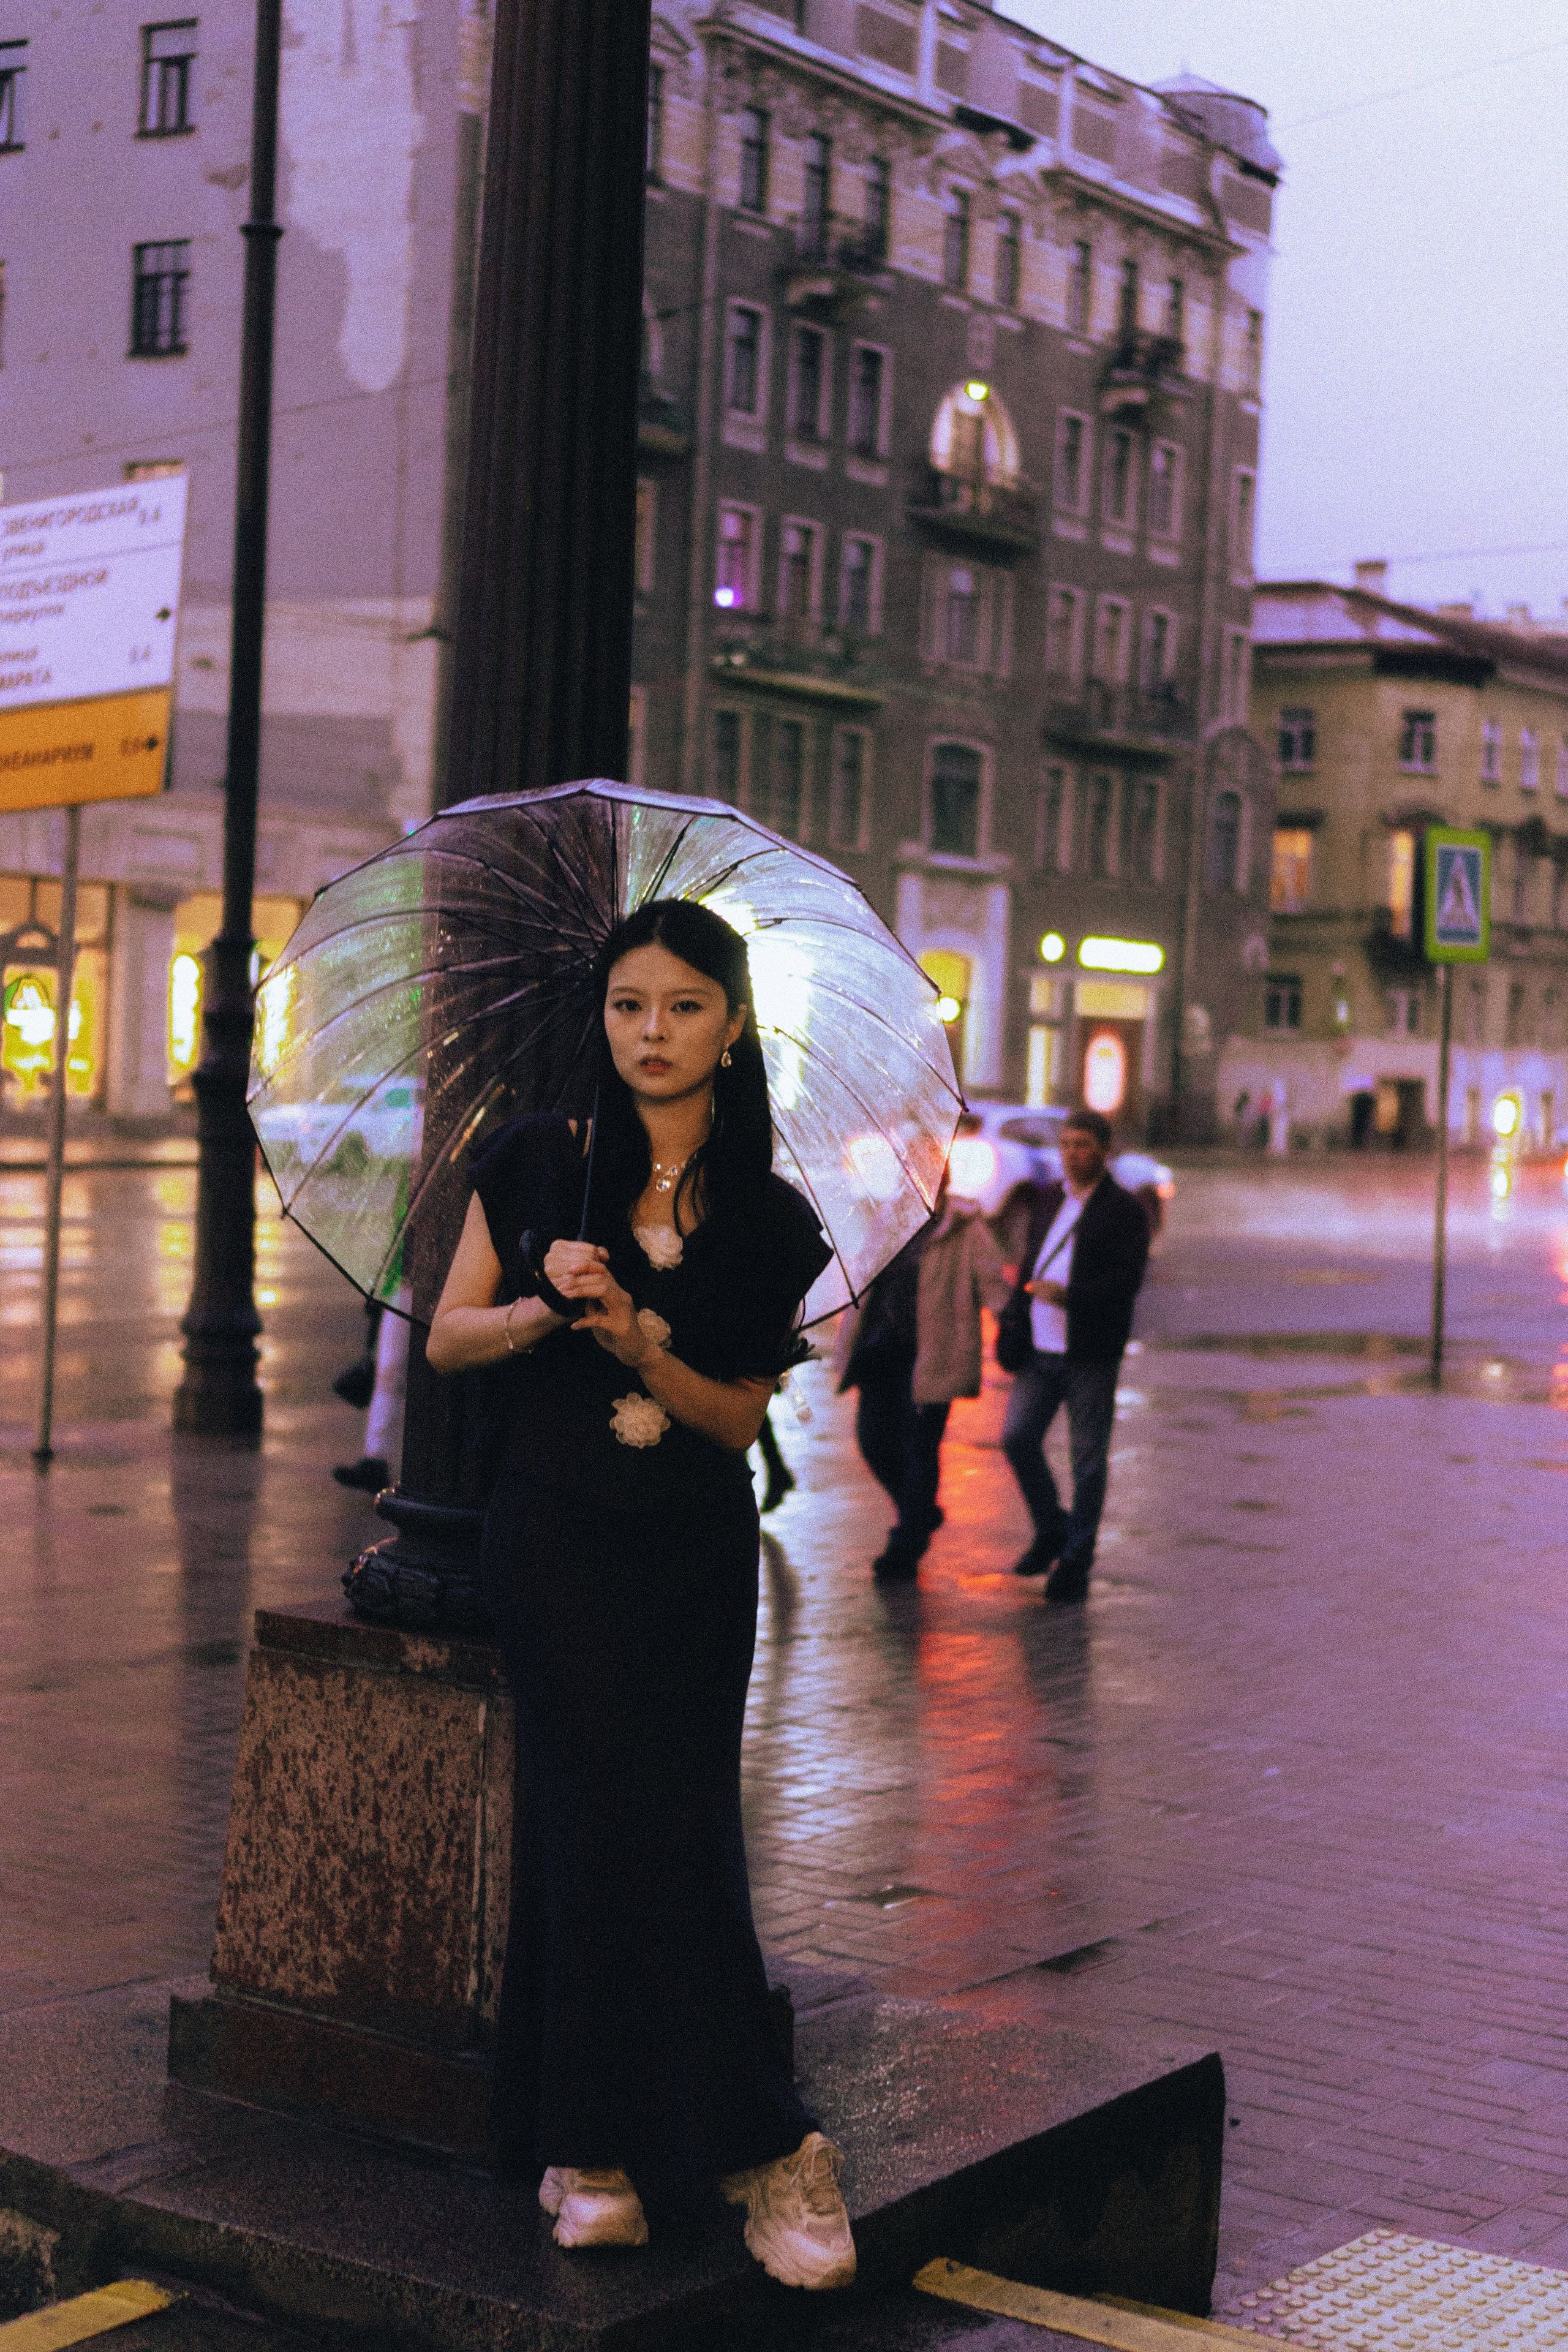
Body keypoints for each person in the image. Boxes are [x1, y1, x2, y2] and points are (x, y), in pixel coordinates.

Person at [426, 898, 856, 2292]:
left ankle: (751, 2145)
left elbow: (733, 1419)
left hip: (685, 1550)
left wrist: (634, 1332)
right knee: (579, 1819)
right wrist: (550, 1308)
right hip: (551, 1540)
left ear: (732, 1026)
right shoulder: (533, 1163)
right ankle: (593, 2149)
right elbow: (448, 1339)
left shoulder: (768, 1214)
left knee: (674, 1825)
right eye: (627, 1004)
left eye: (681, 1005)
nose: (651, 1032)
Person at [1001, 1107, 1149, 1604]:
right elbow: (1031, 1258)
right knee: (1018, 1438)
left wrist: (1071, 1296)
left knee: (1087, 1461)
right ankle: (1051, 1529)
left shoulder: (1124, 1211)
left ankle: (1076, 1561)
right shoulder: (1048, 1199)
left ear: (1104, 1152)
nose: (1072, 1153)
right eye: (1066, 1144)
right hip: (1040, 1348)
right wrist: (1018, 1309)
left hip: (1088, 1352)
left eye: (1082, 1145)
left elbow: (1126, 1284)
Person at [839, 1158, 1010, 1581]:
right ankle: (918, 1511)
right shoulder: (889, 1220)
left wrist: (1013, 1322)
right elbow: (863, 1274)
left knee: (919, 1450)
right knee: (873, 1441)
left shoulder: (965, 1227)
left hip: (933, 1357)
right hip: (881, 1351)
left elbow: (993, 1284)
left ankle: (906, 1543)